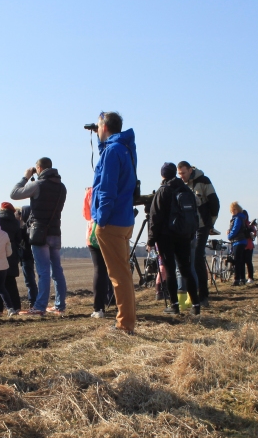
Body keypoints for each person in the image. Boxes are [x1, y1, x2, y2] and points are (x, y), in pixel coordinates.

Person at [90, 112, 138, 334]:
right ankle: (126, 320)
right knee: (123, 274)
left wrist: (101, 220)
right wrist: (102, 141)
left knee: (118, 276)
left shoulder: (112, 151)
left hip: (111, 221)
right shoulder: (124, 147)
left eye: (99, 126)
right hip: (124, 218)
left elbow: (107, 189)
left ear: (105, 127)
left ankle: (125, 324)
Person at [11, 158, 67, 316]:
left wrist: (26, 177)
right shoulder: (62, 187)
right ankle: (60, 305)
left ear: (39, 168)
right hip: (55, 232)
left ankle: (40, 306)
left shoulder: (37, 185)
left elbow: (14, 194)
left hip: (39, 234)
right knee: (57, 270)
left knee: (43, 272)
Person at [149, 163, 200, 315]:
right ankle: (196, 305)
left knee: (170, 270)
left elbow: (155, 217)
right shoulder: (186, 190)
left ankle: (174, 305)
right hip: (184, 234)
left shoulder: (163, 190)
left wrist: (151, 240)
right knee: (186, 269)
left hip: (166, 236)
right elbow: (193, 214)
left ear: (163, 175)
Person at [177, 162, 219, 308]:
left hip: (202, 225)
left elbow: (215, 203)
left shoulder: (204, 181)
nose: (182, 176)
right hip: (188, 227)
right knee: (189, 259)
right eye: (179, 174)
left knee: (198, 257)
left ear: (190, 170)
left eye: (183, 173)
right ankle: (190, 294)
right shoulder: (181, 185)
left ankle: (203, 295)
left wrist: (210, 223)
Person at [83, 186, 114, 318]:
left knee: (99, 270)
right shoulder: (113, 189)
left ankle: (99, 307)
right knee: (115, 269)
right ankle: (118, 301)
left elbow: (86, 215)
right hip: (111, 232)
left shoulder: (90, 191)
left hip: (92, 233)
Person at [0, 202, 23, 311]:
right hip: (11, 254)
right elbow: (19, 239)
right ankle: (16, 307)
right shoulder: (15, 222)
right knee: (11, 282)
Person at [226, 202, 252, 286]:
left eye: (232, 211)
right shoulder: (241, 218)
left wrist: (229, 236)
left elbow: (235, 229)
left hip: (238, 241)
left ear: (235, 210)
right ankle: (242, 278)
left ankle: (236, 279)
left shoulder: (237, 218)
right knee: (240, 261)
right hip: (241, 241)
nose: (231, 212)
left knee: (237, 261)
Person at [17, 205, 38, 306]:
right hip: (32, 256)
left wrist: (18, 221)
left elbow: (19, 239)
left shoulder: (24, 228)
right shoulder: (32, 226)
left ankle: (33, 300)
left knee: (29, 281)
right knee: (31, 279)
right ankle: (34, 300)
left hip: (26, 257)